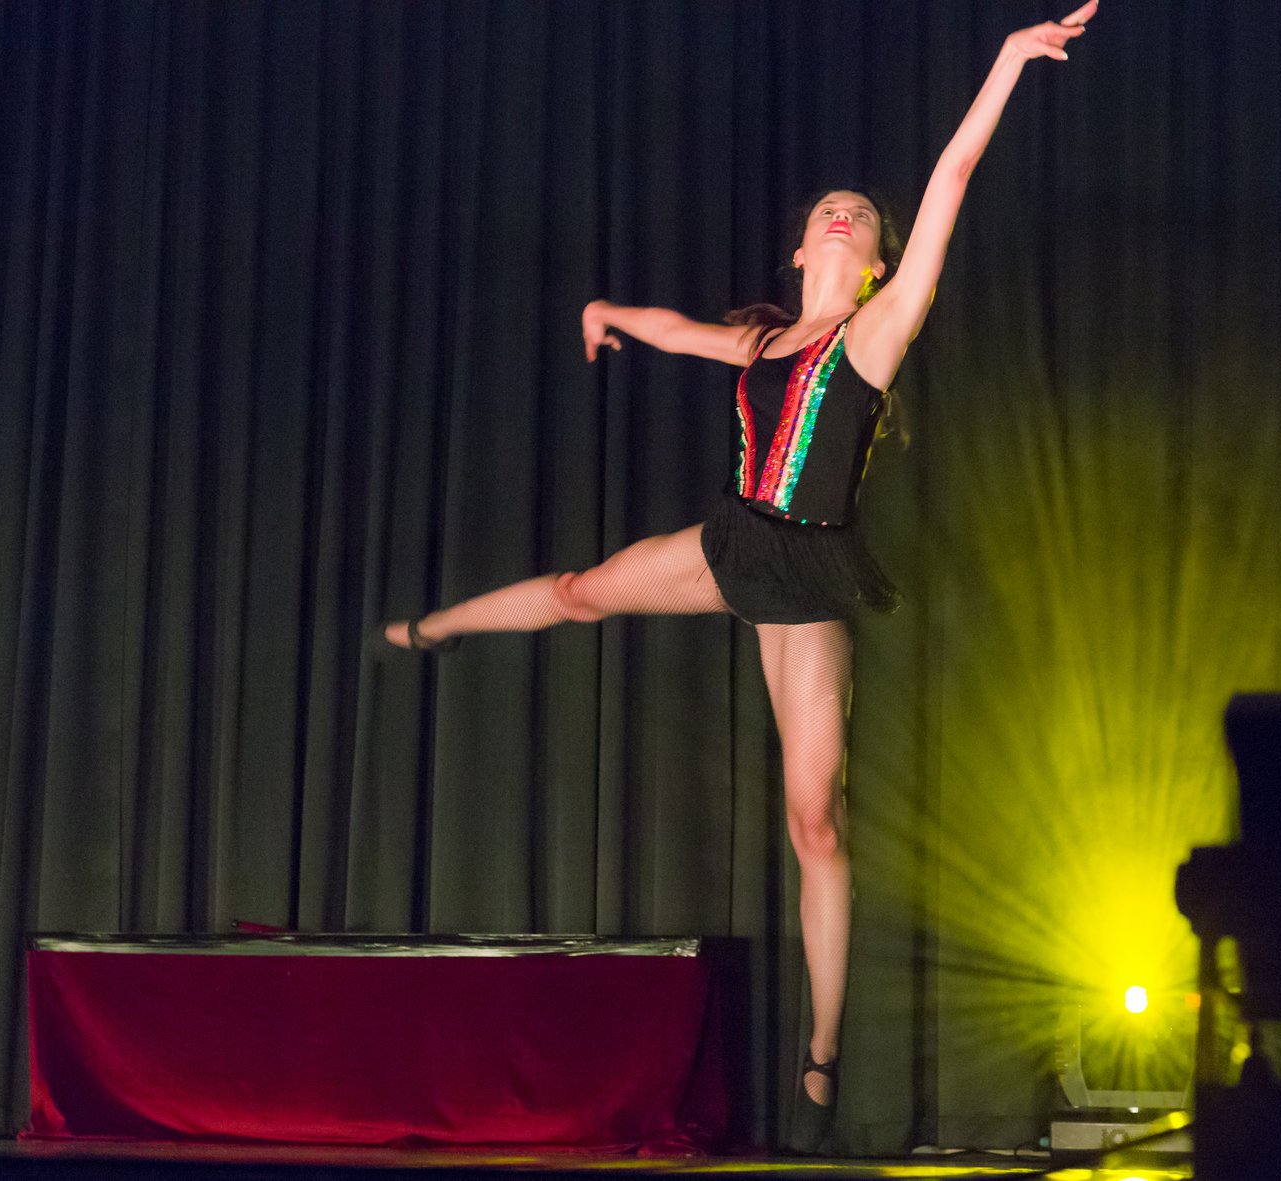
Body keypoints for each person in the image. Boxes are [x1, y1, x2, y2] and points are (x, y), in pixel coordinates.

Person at [383, 2, 1099, 1151]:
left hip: (808, 573)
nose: (841, 213)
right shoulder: (760, 342)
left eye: (860, 215)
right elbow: (674, 330)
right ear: (800, 250)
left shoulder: (877, 330)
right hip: (731, 543)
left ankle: (822, 1046)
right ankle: (435, 627)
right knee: (576, 591)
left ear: (875, 261)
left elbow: (954, 175)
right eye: (827, 210)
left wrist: (1010, 59)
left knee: (816, 821)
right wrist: (606, 312)